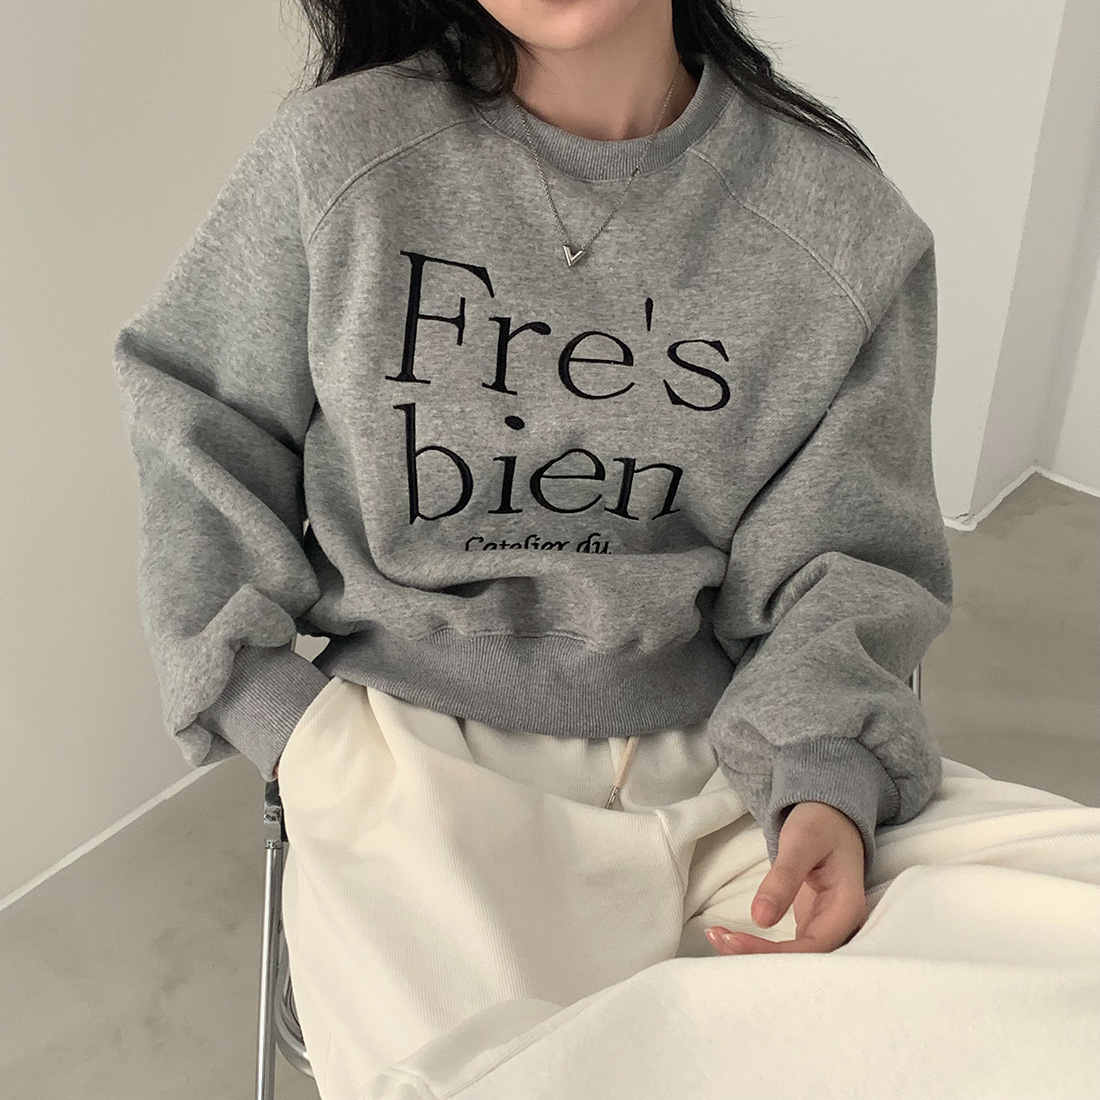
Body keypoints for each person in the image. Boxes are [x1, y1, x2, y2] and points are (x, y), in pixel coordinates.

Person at [111, 3, 1100, 1099]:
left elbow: (849, 556)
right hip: (413, 765)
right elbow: (195, 417)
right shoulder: (341, 157)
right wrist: (279, 717)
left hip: (736, 770)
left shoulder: (841, 228)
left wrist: (823, 774)